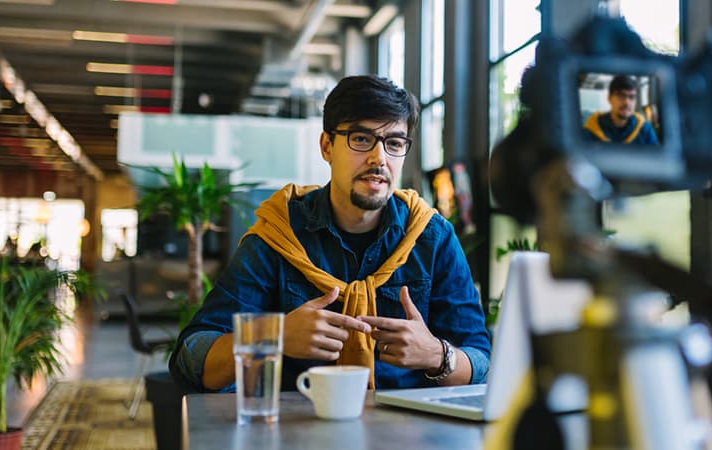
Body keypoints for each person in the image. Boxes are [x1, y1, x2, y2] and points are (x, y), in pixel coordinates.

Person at [169, 75, 491, 392]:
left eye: (394, 143)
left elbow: (481, 362)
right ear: (327, 146)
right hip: (299, 434)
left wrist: (437, 355)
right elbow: (191, 357)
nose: (379, 158)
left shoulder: (432, 238)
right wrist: (274, 336)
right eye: (361, 139)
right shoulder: (280, 235)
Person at [582, 75, 659, 145]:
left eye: (632, 97)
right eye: (621, 96)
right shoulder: (592, 130)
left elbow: (656, 159)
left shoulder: (645, 130)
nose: (627, 102)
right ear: (609, 98)